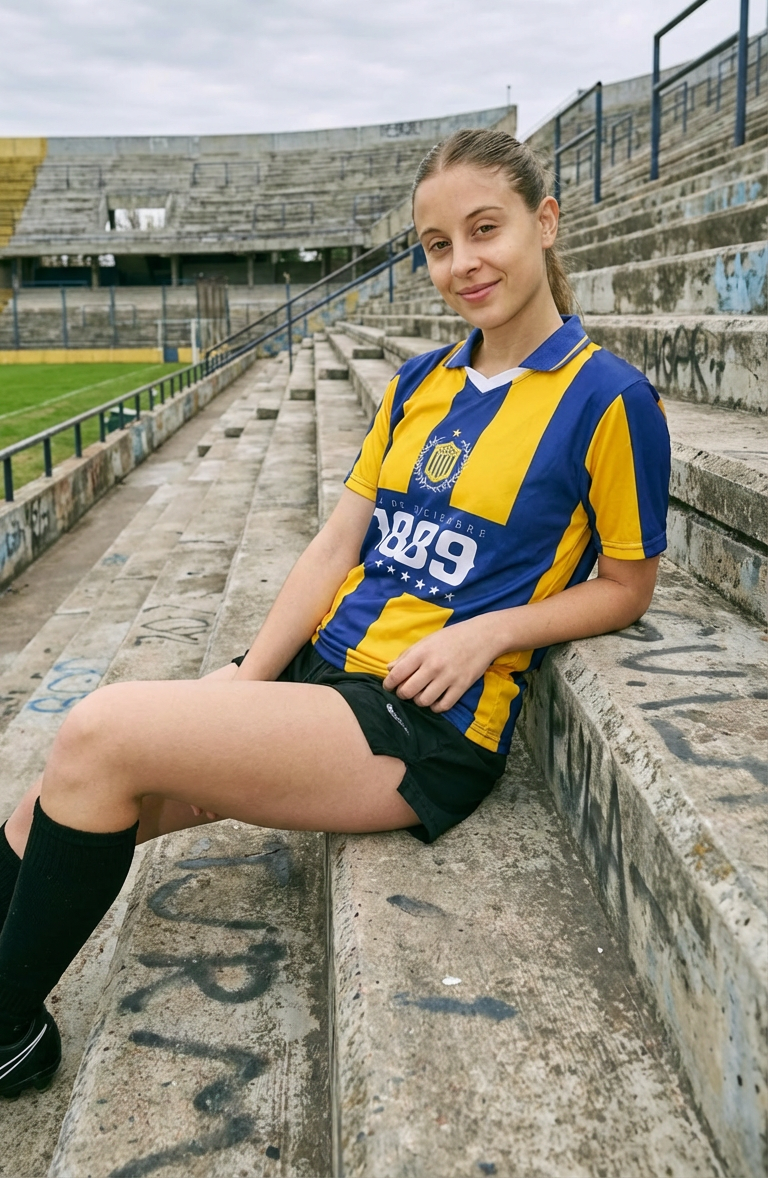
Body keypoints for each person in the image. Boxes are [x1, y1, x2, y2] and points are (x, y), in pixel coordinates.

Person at [0, 129, 670, 1098]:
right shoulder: (418, 383)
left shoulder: (609, 397)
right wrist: (248, 675)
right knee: (53, 802)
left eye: (485, 229)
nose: (462, 262)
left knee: (98, 732)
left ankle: (7, 1033)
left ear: (545, 221)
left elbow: (627, 584)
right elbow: (334, 548)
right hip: (322, 673)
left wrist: (489, 631)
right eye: (437, 244)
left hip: (418, 720)